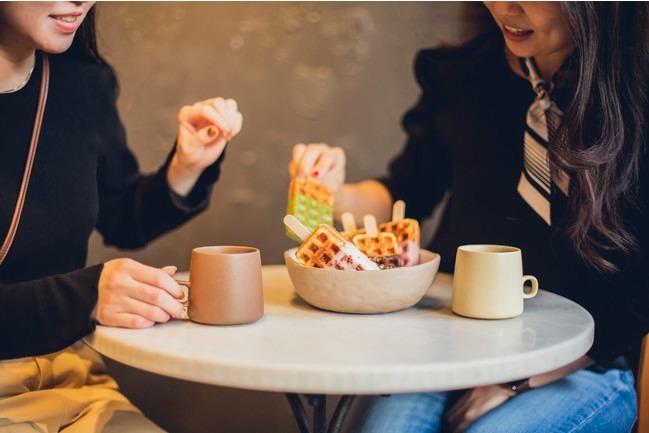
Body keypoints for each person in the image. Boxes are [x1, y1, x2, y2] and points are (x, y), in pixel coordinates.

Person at [290, 2, 648, 432]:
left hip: (584, 365)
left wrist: (521, 378)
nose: (503, 7)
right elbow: (405, 192)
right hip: (451, 342)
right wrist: (334, 192)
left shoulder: (636, 97)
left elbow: (637, 293)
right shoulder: (465, 75)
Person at [0, 2, 242, 432]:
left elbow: (121, 218)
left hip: (72, 381)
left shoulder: (82, 82)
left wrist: (186, 168)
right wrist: (86, 295)